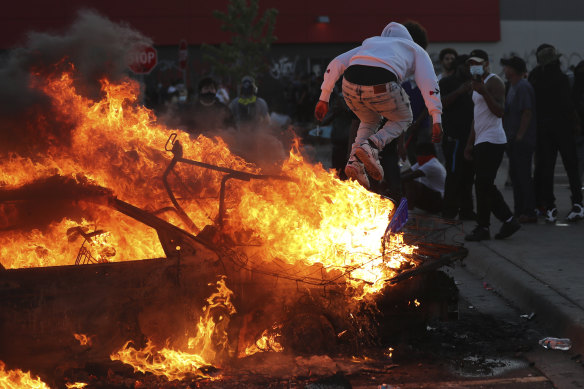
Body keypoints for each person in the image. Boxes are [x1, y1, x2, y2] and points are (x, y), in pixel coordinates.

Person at [314, 21, 443, 190]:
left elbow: (336, 63)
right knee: (404, 117)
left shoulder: (370, 43)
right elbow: (430, 84)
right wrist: (436, 117)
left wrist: (324, 98)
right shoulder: (415, 49)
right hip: (382, 84)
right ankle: (371, 146)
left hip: (350, 85)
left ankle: (355, 161)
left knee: (368, 120)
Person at [464, 49, 520, 241]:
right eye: (470, 63)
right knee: (482, 184)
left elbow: (500, 111)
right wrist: (469, 144)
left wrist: (483, 91)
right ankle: (490, 225)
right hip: (481, 140)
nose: (474, 66)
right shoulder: (475, 85)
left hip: (493, 139)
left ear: (486, 64)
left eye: (477, 63)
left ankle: (499, 221)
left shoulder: (493, 82)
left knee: (483, 183)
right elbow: (476, 117)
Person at [529, 44, 583, 222]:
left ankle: (550, 207)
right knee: (571, 166)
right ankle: (577, 203)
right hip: (563, 128)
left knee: (547, 168)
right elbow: (568, 104)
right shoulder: (561, 78)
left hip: (543, 129)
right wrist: (576, 124)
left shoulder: (535, 77)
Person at [500, 56, 537, 223]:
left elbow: (527, 112)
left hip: (521, 140)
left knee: (522, 175)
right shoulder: (512, 87)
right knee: (516, 176)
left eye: (507, 67)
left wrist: (520, 136)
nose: (504, 70)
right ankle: (519, 209)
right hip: (513, 139)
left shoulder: (522, 86)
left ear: (513, 69)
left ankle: (529, 211)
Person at [439, 54, 476, 220]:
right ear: (459, 67)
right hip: (454, 139)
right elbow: (441, 103)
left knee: (468, 177)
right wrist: (460, 91)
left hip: (471, 138)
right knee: (454, 175)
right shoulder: (447, 83)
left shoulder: (476, 84)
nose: (469, 69)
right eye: (466, 66)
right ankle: (449, 211)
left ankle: (467, 211)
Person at [401, 142, 446, 213]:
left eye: (418, 154)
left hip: (438, 201)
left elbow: (410, 176)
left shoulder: (432, 165)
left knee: (410, 183)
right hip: (431, 195)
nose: (417, 157)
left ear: (425, 153)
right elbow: (405, 173)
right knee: (401, 183)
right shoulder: (424, 162)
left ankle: (409, 213)